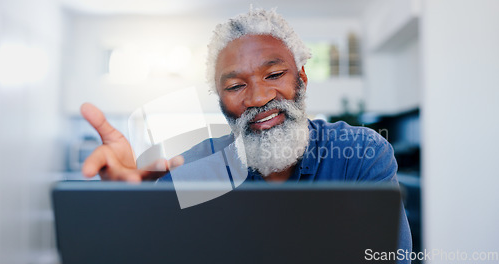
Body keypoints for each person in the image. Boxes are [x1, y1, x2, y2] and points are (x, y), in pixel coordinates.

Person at [80, 8, 412, 261]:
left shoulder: (359, 153)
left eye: (275, 74)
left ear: (302, 78)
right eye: (236, 86)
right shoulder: (190, 171)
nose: (257, 98)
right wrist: (123, 208)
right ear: (221, 102)